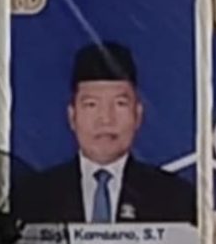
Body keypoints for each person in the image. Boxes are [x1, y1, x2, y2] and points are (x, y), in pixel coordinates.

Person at [12, 41, 195, 224]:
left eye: (120, 104)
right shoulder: (33, 197)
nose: (106, 119)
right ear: (72, 116)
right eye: (91, 104)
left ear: (138, 115)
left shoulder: (175, 198)